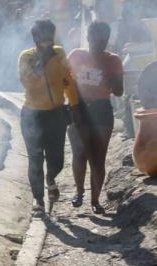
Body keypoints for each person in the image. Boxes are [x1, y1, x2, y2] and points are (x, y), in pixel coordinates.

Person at [18, 20, 81, 215]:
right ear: (35, 39)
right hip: (32, 114)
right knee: (35, 158)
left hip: (56, 113)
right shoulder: (26, 57)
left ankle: (51, 179)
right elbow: (28, 83)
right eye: (43, 38)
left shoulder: (60, 53)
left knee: (57, 159)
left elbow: (68, 80)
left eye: (50, 37)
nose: (48, 42)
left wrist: (75, 104)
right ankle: (38, 201)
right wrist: (43, 61)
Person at [68, 22, 124, 214]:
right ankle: (79, 192)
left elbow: (119, 91)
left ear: (108, 39)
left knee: (98, 159)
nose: (99, 43)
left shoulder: (113, 60)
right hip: (79, 108)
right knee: (79, 154)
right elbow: (64, 80)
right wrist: (71, 105)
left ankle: (95, 200)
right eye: (95, 38)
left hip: (101, 110)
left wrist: (112, 80)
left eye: (103, 40)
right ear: (88, 37)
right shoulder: (76, 55)